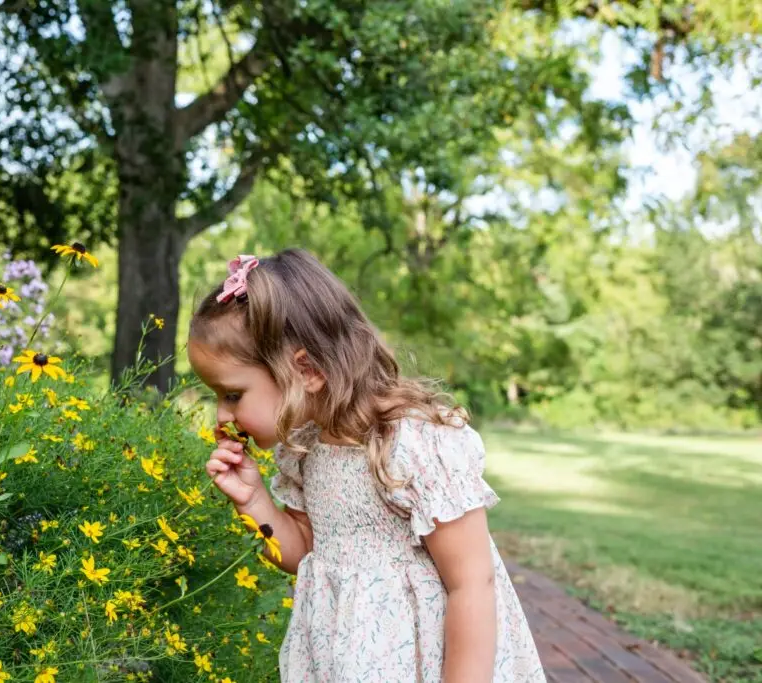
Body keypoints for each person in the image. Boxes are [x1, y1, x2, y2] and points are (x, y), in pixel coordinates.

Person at [188, 249, 545, 682]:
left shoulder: (411, 445)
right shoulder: (304, 448)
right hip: (346, 661)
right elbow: (303, 552)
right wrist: (254, 501)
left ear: (307, 369)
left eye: (231, 394)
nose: (221, 417)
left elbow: (471, 584)